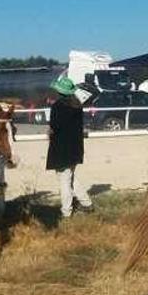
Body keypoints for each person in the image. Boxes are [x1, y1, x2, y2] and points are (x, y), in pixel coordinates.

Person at [46, 76, 93, 218]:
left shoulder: (57, 107)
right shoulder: (77, 106)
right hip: (75, 148)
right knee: (70, 177)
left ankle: (66, 212)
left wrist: (49, 132)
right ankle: (86, 203)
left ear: (60, 92)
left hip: (61, 148)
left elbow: (54, 127)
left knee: (64, 180)